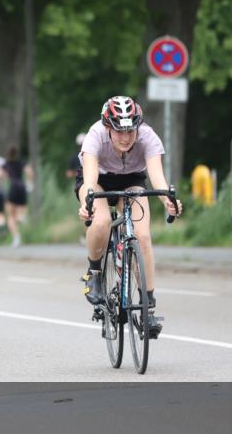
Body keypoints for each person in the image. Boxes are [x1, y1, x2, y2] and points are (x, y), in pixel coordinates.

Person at [76, 96, 182, 339]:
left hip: (132, 180)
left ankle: (148, 308)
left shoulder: (148, 136)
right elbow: (90, 178)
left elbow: (157, 176)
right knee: (101, 220)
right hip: (98, 181)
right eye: (118, 131)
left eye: (130, 131)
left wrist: (168, 200)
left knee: (143, 236)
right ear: (107, 128)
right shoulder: (95, 135)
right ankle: (94, 274)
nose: (125, 138)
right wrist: (87, 203)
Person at [3, 145, 34, 248]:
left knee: (10, 216)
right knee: (21, 211)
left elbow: (0, 175)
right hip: (22, 186)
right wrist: (30, 182)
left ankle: (16, 236)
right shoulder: (21, 162)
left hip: (13, 187)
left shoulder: (6, 164)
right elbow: (29, 171)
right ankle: (21, 218)